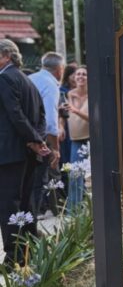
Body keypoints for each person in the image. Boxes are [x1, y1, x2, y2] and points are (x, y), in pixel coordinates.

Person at [0, 39, 49, 264]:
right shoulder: (28, 81)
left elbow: (15, 113)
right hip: (27, 153)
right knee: (25, 202)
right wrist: (37, 140)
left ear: (6, 56)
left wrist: (33, 140)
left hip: (10, 153)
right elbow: (41, 116)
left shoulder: (5, 78)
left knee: (9, 204)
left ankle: (14, 257)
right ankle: (30, 249)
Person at [30, 52, 64, 215]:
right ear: (59, 69)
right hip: (41, 138)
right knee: (42, 181)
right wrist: (55, 148)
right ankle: (36, 218)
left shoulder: (31, 78)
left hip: (25, 136)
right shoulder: (50, 84)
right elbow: (50, 121)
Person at [66, 65, 89, 211]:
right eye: (78, 74)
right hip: (75, 139)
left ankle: (88, 208)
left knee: (89, 177)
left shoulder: (93, 94)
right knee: (75, 175)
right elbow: (65, 114)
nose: (80, 76)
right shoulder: (70, 94)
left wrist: (76, 111)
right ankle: (73, 211)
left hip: (90, 139)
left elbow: (95, 119)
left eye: (84, 74)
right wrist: (61, 125)